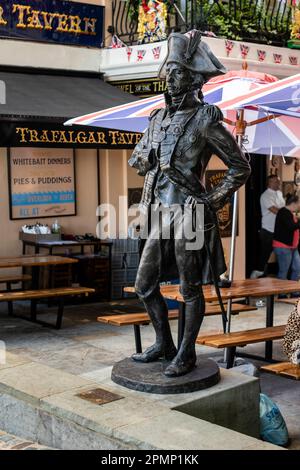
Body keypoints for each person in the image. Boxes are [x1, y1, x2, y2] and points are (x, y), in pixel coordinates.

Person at [128, 30, 251, 377]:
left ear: (195, 78)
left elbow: (240, 167)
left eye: (178, 71)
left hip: (189, 215)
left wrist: (212, 198)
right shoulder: (157, 119)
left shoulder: (205, 119)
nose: (170, 77)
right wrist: (145, 157)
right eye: (168, 70)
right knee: (144, 285)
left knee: (189, 287)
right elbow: (139, 158)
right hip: (159, 213)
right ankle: (163, 344)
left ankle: (186, 353)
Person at [250, 175, 285, 279]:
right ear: (269, 183)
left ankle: (281, 277)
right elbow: (275, 211)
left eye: (278, 181)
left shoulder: (279, 193)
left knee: (282, 253)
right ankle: (255, 275)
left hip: (279, 231)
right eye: (274, 182)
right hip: (268, 230)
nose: (277, 183)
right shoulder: (265, 196)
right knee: (265, 255)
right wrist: (288, 214)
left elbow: (283, 208)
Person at [273, 194, 300, 297]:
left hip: (293, 247)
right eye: (298, 203)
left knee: (297, 268)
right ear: (293, 203)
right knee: (283, 271)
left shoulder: (289, 213)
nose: (299, 205)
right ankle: (282, 293)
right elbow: (291, 227)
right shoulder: (283, 213)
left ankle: (294, 290)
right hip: (283, 247)